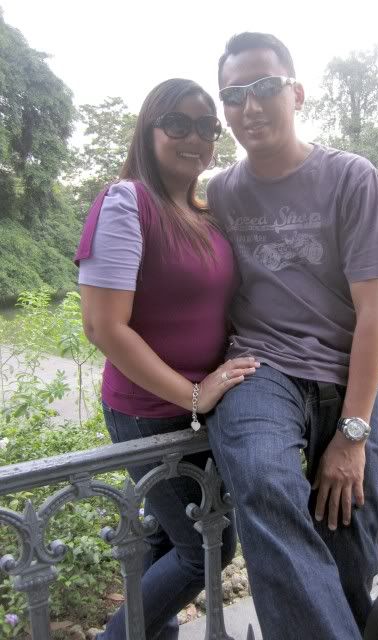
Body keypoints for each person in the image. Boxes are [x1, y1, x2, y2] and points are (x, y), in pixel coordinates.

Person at [205, 33, 378, 640]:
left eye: (264, 86)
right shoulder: (221, 191)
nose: (250, 106)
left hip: (349, 379)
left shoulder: (350, 177)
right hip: (260, 372)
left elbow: (375, 312)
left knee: (347, 556)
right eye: (233, 94)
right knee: (264, 480)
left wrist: (352, 434)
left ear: (296, 93)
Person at [75, 78, 259, 640]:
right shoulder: (127, 202)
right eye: (177, 123)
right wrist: (195, 393)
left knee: (166, 538)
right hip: (149, 411)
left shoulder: (204, 213)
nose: (194, 137)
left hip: (197, 413)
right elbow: (103, 326)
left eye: (206, 126)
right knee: (207, 546)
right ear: (148, 130)